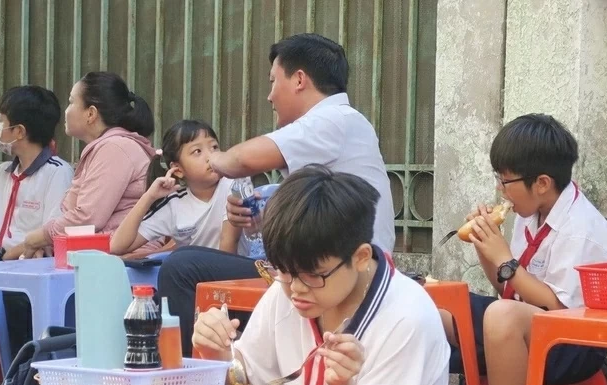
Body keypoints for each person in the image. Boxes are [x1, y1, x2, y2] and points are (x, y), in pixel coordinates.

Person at [187, 164, 451, 385]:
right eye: (283, 271)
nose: (296, 288)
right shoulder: (287, 292)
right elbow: (247, 384)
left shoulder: (406, 314)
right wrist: (217, 353)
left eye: (313, 275)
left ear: (360, 257)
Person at [158, 32, 395, 357]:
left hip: (340, 269)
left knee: (182, 267)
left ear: (299, 80)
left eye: (273, 81)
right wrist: (256, 217)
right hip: (317, 264)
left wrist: (210, 159)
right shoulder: (338, 126)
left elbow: (241, 160)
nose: (270, 96)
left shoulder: (333, 120)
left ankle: (189, 378)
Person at [442, 114, 607, 385]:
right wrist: (487, 249)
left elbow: (561, 310)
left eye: (506, 181)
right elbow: (508, 288)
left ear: (541, 183)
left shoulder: (583, 230)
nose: (500, 189)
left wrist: (506, 260)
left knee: (501, 316)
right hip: (523, 326)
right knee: (438, 308)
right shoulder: (532, 214)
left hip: (574, 345)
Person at [21, 72, 160, 257]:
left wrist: (38, 238)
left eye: (71, 102)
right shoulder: (109, 146)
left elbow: (88, 218)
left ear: (91, 113)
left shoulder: (115, 148)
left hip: (123, 261)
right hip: (104, 257)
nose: (66, 110)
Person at [0, 85, 73, 356]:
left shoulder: (58, 173)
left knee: (13, 304)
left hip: (26, 271)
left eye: (1, 122)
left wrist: (3, 258)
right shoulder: (1, 173)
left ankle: (20, 372)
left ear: (18, 131)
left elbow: (48, 235)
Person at [110, 120, 235, 255]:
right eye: (197, 151)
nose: (211, 156)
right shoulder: (173, 204)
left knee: (177, 259)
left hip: (228, 266)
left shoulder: (232, 185)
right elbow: (117, 247)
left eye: (214, 147)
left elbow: (228, 247)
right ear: (178, 169)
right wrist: (149, 197)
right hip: (192, 268)